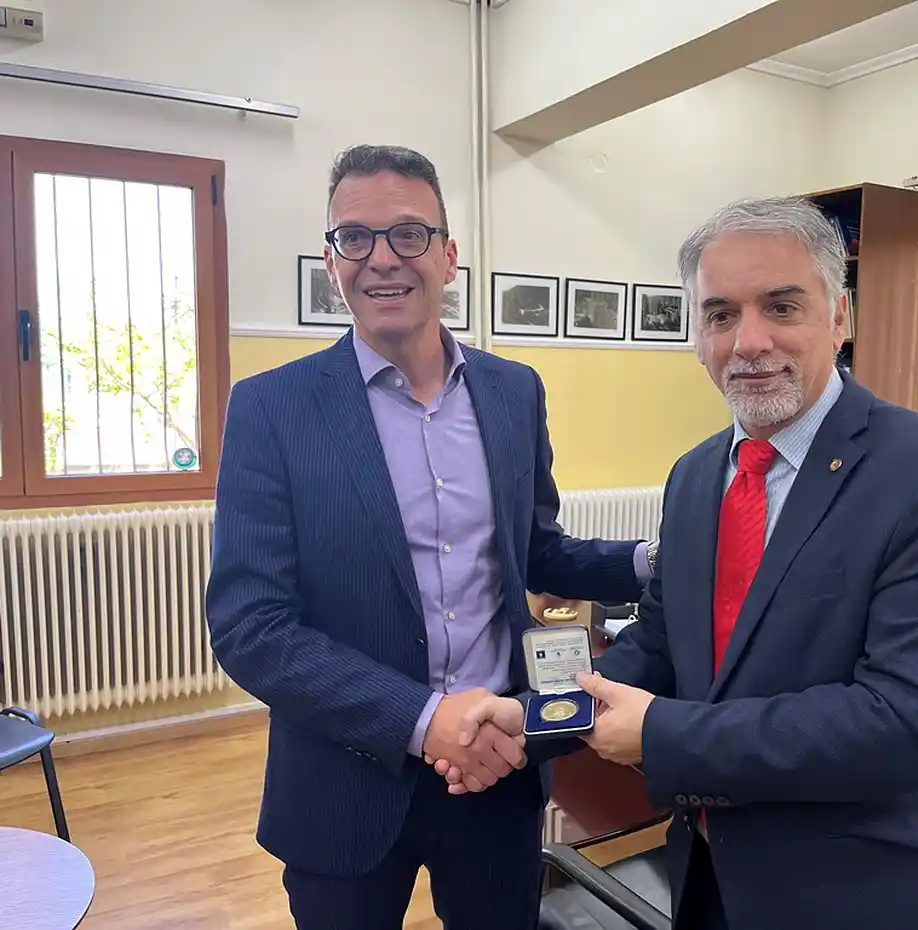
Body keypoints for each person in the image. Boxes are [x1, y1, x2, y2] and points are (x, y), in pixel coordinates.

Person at [431, 196, 918, 929]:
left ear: (839, 316)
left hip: (867, 895)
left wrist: (661, 736)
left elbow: (905, 728)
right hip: (711, 881)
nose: (749, 341)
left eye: (781, 307)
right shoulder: (697, 476)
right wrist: (533, 714)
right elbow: (659, 642)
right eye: (721, 314)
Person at [204, 143, 655, 930]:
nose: (382, 258)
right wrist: (422, 719)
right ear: (331, 261)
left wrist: (653, 560)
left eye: (409, 233)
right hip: (344, 780)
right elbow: (252, 627)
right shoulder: (271, 409)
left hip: (500, 767)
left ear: (449, 257)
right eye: (355, 237)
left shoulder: (513, 392)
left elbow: (535, 551)